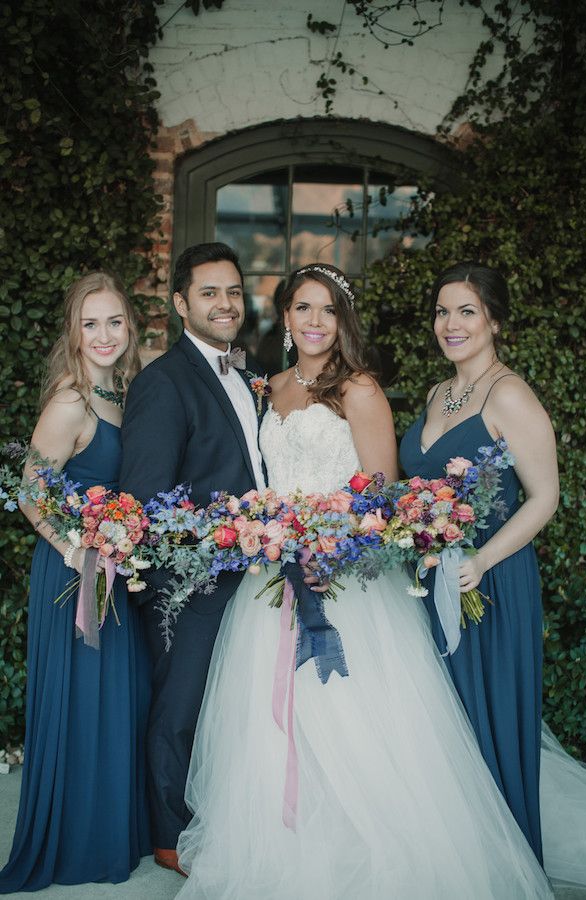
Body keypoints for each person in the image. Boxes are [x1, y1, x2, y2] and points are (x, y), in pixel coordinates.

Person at [175, 263, 553, 900]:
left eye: (328, 309)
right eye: (302, 307)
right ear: (285, 317)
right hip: (275, 578)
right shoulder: (271, 388)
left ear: (342, 320)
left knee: (357, 726)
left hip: (349, 582)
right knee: (274, 725)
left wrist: (327, 545)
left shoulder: (360, 390)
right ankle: (287, 845)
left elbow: (381, 497)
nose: (315, 321)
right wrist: (268, 530)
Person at [399, 260, 586, 886]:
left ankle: (502, 871)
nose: (450, 324)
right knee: (443, 723)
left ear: (494, 320)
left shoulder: (509, 394)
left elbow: (545, 497)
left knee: (486, 715)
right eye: (442, 312)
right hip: (432, 577)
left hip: (490, 581)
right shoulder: (438, 393)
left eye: (466, 311)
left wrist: (480, 560)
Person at [119, 242, 268, 876]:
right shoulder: (163, 382)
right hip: (190, 580)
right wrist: (194, 560)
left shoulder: (247, 374)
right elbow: (145, 500)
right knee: (179, 706)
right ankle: (170, 836)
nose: (225, 303)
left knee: (230, 706)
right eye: (209, 293)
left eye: (233, 291)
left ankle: (220, 818)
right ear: (181, 304)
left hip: (252, 571)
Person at [0, 272, 151, 891]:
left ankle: (112, 831)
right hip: (76, 574)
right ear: (74, 331)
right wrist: (73, 549)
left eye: (115, 321)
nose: (104, 335)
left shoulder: (125, 392)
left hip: (120, 568)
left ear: (130, 326)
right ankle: (75, 842)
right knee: (83, 700)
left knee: (116, 700)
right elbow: (29, 491)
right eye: (91, 324)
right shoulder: (72, 402)